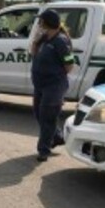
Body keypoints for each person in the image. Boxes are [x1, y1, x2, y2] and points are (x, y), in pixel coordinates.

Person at [30, 9, 74, 162]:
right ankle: (57, 137)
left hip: (54, 86)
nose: (39, 24)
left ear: (47, 23)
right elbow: (33, 53)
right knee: (38, 114)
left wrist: (56, 79)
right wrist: (35, 41)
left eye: (41, 21)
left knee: (47, 117)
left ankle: (43, 150)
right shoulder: (44, 38)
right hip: (40, 85)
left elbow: (69, 65)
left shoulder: (60, 41)